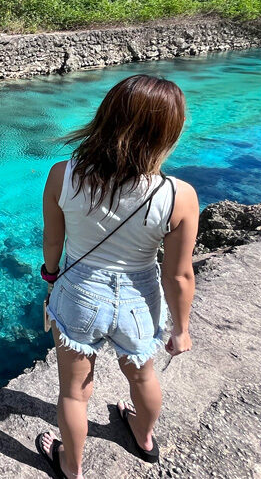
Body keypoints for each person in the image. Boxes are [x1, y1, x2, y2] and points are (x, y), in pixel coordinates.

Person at [34, 74, 199, 479]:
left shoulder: (63, 174)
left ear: (106, 117)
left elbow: (52, 242)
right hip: (140, 298)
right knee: (143, 375)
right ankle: (143, 438)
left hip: (78, 292)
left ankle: (71, 468)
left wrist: (51, 277)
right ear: (168, 132)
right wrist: (181, 329)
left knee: (74, 392)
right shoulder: (178, 194)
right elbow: (179, 275)